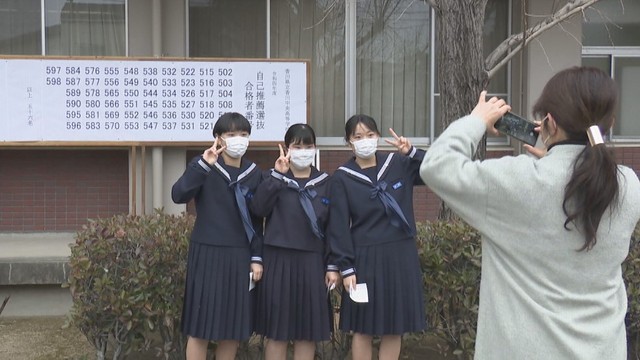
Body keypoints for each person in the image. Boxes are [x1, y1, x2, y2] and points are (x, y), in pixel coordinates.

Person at [420, 66, 640, 359]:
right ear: (609, 123)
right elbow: (575, 180)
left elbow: (436, 166)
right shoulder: (628, 186)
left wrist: (476, 120)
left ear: (549, 122)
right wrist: (558, 158)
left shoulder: (517, 182)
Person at [328, 115, 426, 360]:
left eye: (370, 135)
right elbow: (338, 226)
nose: (365, 141)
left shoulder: (398, 163)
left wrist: (412, 151)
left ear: (378, 136)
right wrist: (346, 267)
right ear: (349, 142)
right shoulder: (342, 177)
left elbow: (434, 171)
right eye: (358, 137)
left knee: (395, 326)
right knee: (363, 326)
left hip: (400, 254)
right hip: (365, 257)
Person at [171, 112, 264, 360]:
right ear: (218, 138)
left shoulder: (254, 173)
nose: (238, 140)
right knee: (200, 326)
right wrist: (204, 165)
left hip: (240, 254)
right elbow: (178, 195)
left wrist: (257, 256)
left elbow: (257, 219)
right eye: (231, 135)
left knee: (231, 327)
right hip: (207, 252)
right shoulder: (203, 165)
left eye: (243, 135)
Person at [250, 123, 339, 360]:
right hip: (278, 259)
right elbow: (258, 209)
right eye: (297, 146)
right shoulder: (273, 177)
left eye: (308, 146)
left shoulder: (326, 182)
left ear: (315, 148)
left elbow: (333, 227)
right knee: (277, 331)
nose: (303, 151)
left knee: (306, 331)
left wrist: (332, 265)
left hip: (312, 261)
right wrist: (278, 175)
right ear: (286, 148)